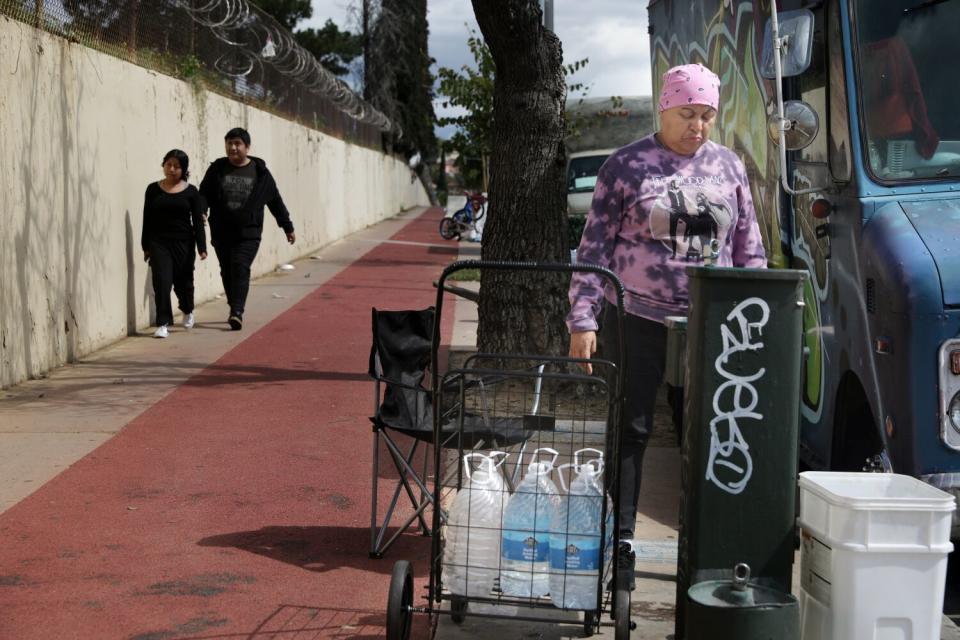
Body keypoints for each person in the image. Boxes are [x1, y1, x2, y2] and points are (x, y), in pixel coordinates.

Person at [566, 63, 767, 588]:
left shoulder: (729, 167)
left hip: (712, 326)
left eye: (706, 116)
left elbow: (750, 250)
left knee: (710, 434)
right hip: (636, 317)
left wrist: (756, 318)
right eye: (687, 114)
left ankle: (706, 546)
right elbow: (594, 250)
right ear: (664, 107)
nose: (697, 126)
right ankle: (624, 544)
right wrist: (583, 318)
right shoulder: (626, 166)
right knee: (630, 429)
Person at [199, 127, 295, 331]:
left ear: (247, 147)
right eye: (229, 143)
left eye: (237, 144)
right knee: (227, 270)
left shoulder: (260, 172)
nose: (233, 148)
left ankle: (237, 311)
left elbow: (275, 200)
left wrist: (287, 226)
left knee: (240, 267)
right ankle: (234, 304)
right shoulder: (217, 169)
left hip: (249, 232)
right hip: (222, 230)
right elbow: (203, 193)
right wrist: (202, 210)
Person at [141, 149, 207, 339]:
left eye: (177, 166)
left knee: (183, 281)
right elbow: (147, 218)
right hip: (159, 242)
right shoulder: (152, 190)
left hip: (184, 243)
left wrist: (201, 247)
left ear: (183, 169)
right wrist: (145, 245)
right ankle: (162, 323)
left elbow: (197, 221)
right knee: (162, 281)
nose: (171, 169)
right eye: (168, 164)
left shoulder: (191, 192)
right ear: (163, 165)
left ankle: (187, 310)